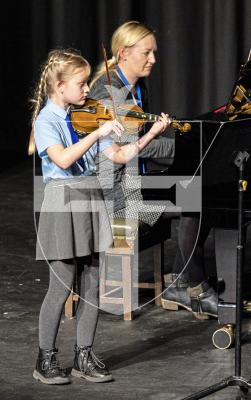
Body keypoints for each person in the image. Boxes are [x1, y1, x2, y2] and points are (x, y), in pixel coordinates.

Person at [29, 48, 170, 385]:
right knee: (61, 287)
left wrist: (150, 133)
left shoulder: (85, 114)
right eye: (81, 85)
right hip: (63, 202)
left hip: (92, 199)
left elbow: (119, 155)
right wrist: (98, 133)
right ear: (60, 86)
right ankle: (45, 358)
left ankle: (84, 355)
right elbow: (62, 160)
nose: (87, 91)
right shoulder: (46, 120)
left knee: (92, 286)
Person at [89, 20, 218, 319]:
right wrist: (186, 147)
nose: (154, 59)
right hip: (115, 196)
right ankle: (192, 285)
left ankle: (183, 281)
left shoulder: (137, 87)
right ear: (123, 53)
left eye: (154, 52)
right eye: (147, 53)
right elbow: (136, 148)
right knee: (194, 199)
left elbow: (143, 141)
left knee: (201, 194)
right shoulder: (109, 94)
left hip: (135, 181)